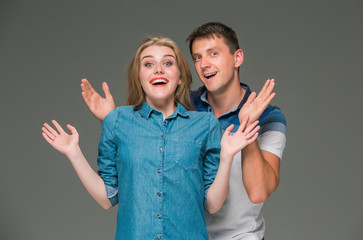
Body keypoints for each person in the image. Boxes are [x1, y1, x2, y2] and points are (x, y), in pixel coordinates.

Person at [81, 22, 287, 240]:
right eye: (197, 57)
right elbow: (143, 144)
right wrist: (113, 119)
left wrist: (246, 126)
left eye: (213, 53)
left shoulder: (268, 116)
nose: (204, 64)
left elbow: (258, 192)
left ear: (237, 58)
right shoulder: (186, 106)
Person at [42, 36, 260, 239]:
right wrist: (74, 153)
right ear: (139, 77)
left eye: (167, 63)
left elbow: (212, 204)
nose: (158, 70)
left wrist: (228, 156)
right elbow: (107, 198)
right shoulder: (116, 121)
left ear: (181, 77)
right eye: (148, 64)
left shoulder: (205, 124)